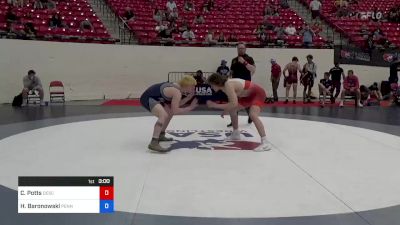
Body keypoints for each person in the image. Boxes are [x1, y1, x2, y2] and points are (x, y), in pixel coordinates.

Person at [206, 73, 271, 152]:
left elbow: (234, 103)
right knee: (232, 110)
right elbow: (232, 103)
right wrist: (226, 110)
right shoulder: (224, 87)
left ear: (216, 83)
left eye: (211, 85)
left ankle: (265, 142)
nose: (211, 88)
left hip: (258, 94)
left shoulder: (228, 85)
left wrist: (215, 105)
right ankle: (236, 133)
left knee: (253, 115)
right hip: (248, 96)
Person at [140, 75, 199, 153]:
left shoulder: (177, 89)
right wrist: (190, 108)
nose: (193, 89)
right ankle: (153, 142)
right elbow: (176, 110)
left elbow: (175, 106)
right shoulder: (176, 91)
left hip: (155, 97)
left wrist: (188, 98)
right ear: (187, 85)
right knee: (163, 115)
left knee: (169, 113)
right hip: (148, 98)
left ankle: (161, 134)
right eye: (192, 87)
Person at [228, 43, 256, 127]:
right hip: (235, 84)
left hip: (245, 84)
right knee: (234, 102)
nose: (240, 50)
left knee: (246, 102)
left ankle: (250, 116)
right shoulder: (234, 60)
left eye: (242, 48)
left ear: (245, 49)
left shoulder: (249, 59)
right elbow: (232, 72)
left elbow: (253, 69)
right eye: (239, 48)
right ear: (237, 49)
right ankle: (233, 121)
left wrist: (244, 62)